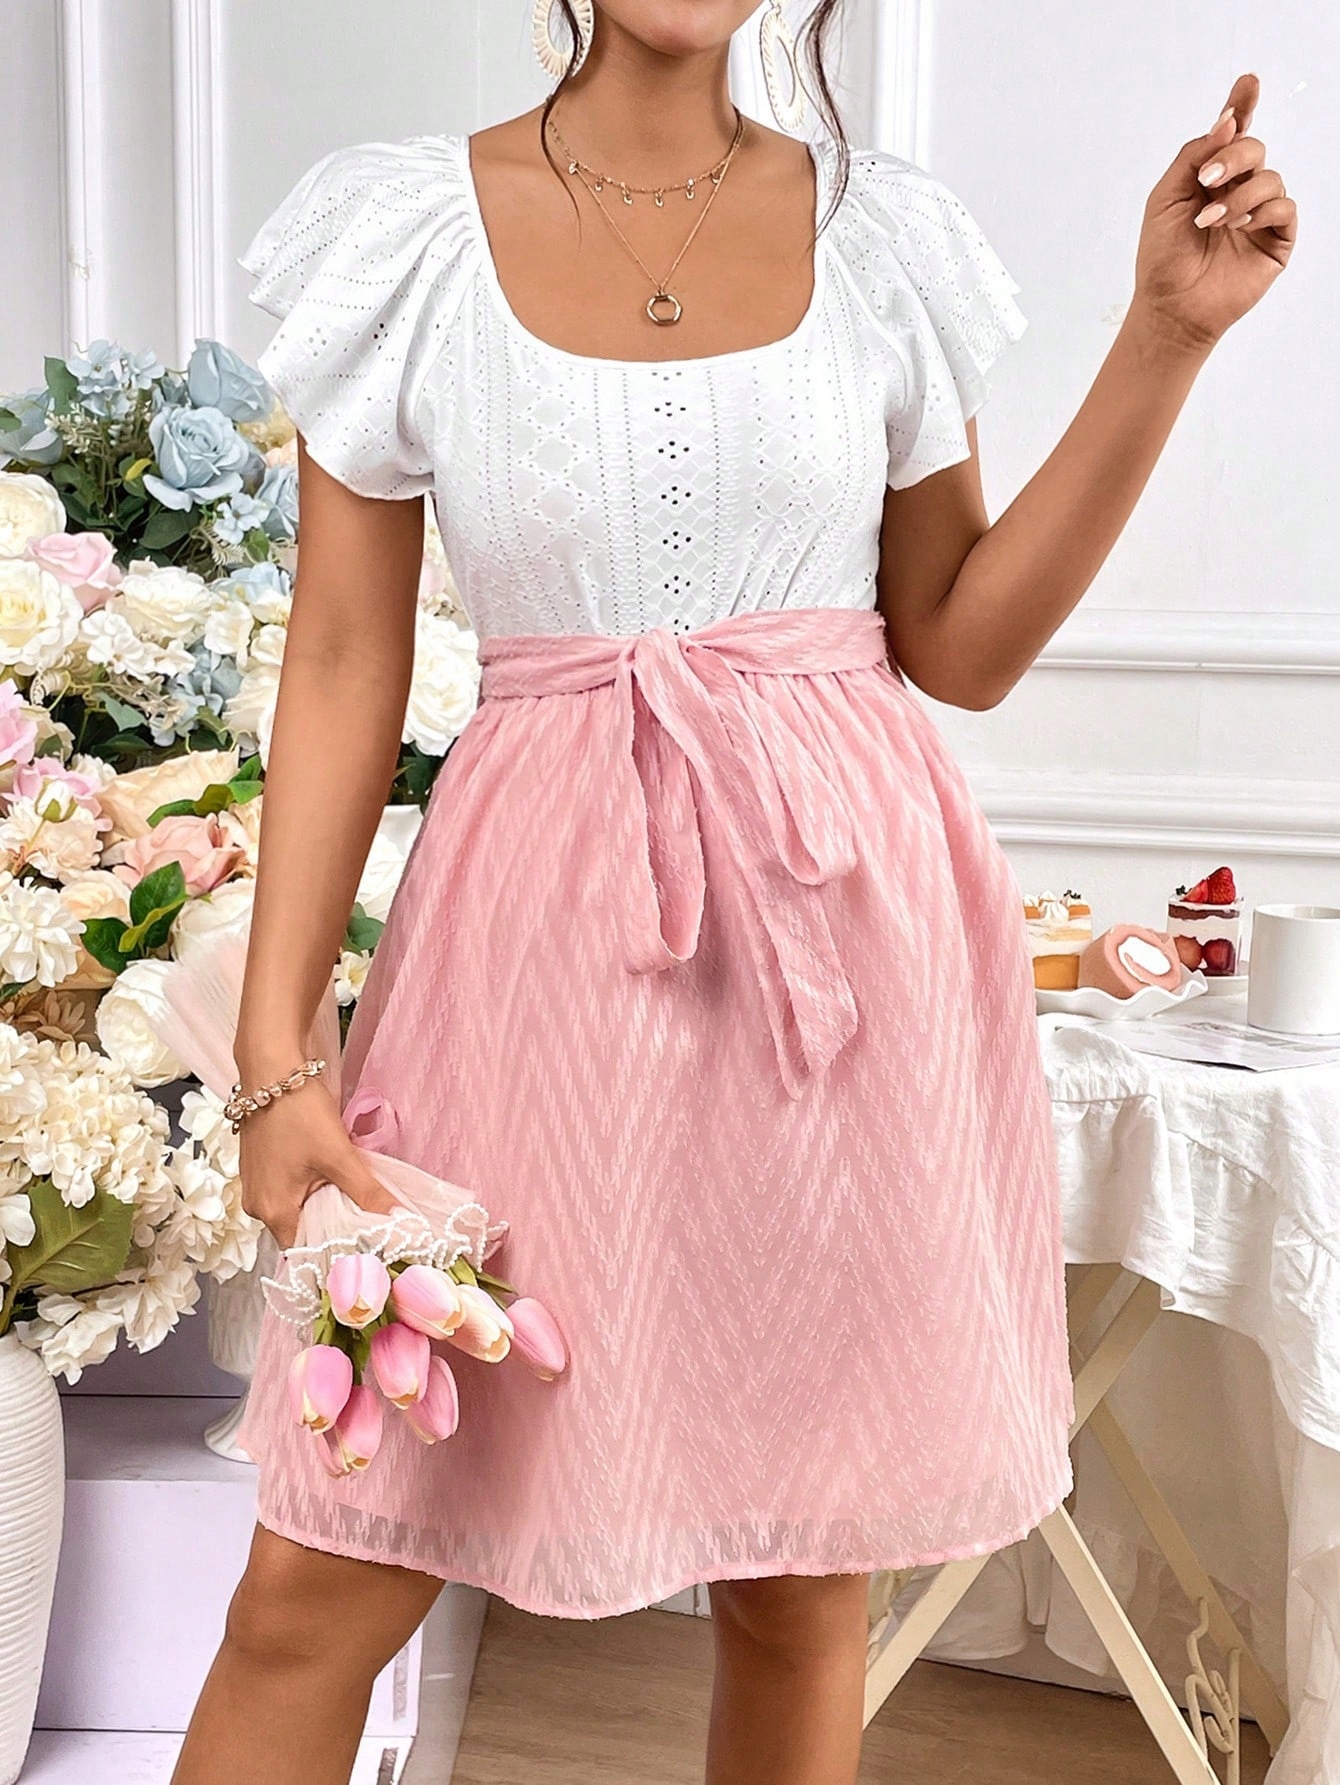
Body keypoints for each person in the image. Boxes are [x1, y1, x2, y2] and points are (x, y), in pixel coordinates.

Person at [170, 3, 1295, 1780]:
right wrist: (274, 1061)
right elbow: (339, 658)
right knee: (318, 1579)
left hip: (838, 955)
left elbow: (960, 643)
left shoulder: (881, 235)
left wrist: (1165, 336)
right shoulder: (405, 237)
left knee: (800, 1585)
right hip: (527, 963)